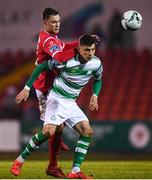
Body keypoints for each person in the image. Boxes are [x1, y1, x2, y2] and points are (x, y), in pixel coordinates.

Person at [11, 34, 103, 179]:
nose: (90, 53)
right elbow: (41, 67)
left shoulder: (96, 63)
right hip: (56, 100)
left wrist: (95, 95)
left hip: (71, 102)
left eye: (92, 50)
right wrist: (27, 88)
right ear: (79, 49)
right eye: (86, 50)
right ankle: (19, 161)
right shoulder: (65, 62)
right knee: (48, 132)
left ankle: (75, 171)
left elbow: (98, 79)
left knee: (87, 131)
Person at [29, 7, 100, 178]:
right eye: (53, 22)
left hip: (54, 87)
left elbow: (63, 46)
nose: (57, 24)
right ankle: (47, 163)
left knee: (57, 127)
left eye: (59, 21)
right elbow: (60, 57)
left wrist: (80, 43)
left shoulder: (53, 37)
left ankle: (55, 158)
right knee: (51, 129)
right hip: (46, 89)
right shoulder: (47, 40)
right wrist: (80, 48)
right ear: (45, 22)